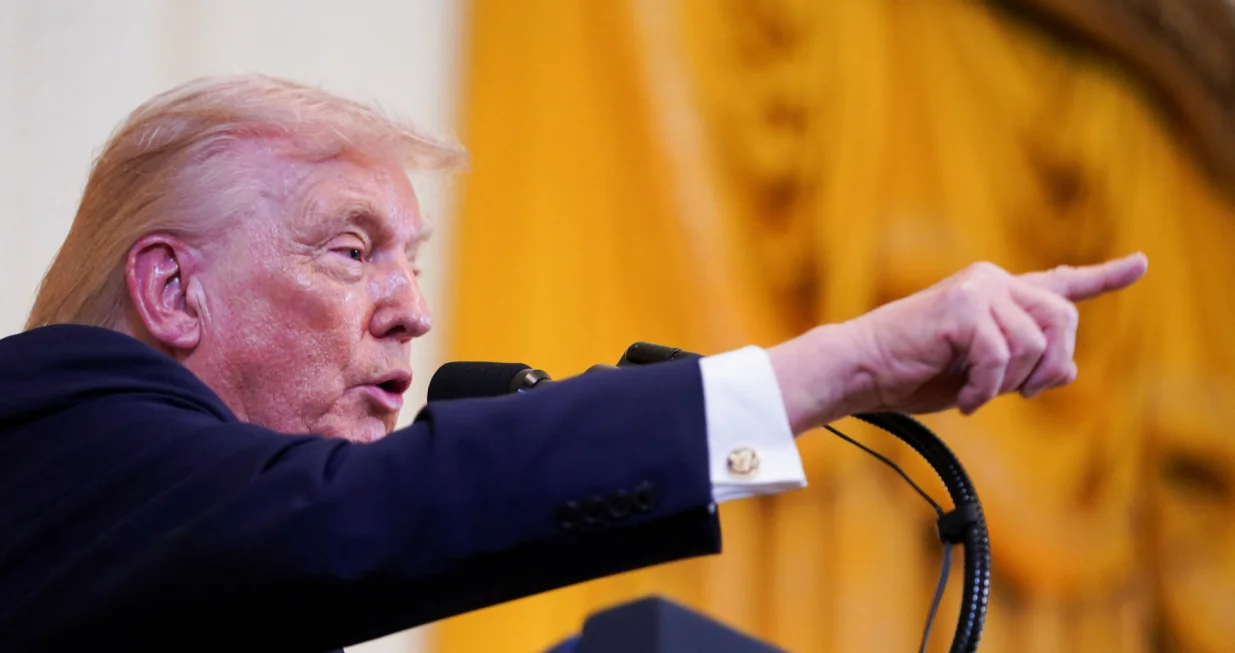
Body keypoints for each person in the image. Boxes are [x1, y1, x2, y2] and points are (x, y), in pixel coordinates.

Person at [0, 74, 1147, 652]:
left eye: (411, 261)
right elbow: (368, 513)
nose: (409, 312)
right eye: (349, 250)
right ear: (170, 289)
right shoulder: (48, 419)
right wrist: (840, 365)